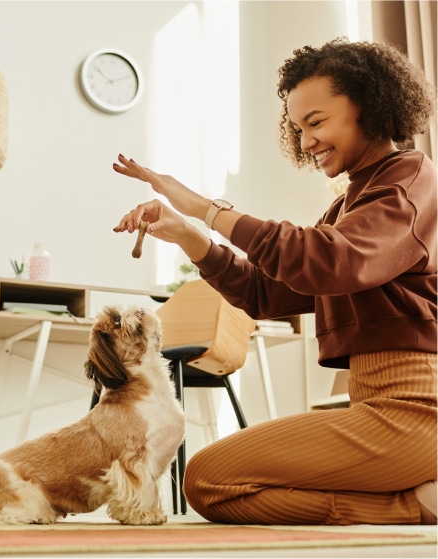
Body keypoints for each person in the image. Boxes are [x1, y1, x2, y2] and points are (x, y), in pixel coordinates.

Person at [113, 37, 437, 525]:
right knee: (210, 482)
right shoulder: (350, 202)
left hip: (419, 406)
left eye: (317, 122)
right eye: (298, 127)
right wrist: (187, 234)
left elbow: (328, 260)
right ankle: (417, 504)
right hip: (377, 403)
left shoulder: (411, 181)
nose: (306, 142)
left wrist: (206, 207)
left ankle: (415, 506)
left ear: (368, 107)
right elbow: (267, 293)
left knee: (209, 479)